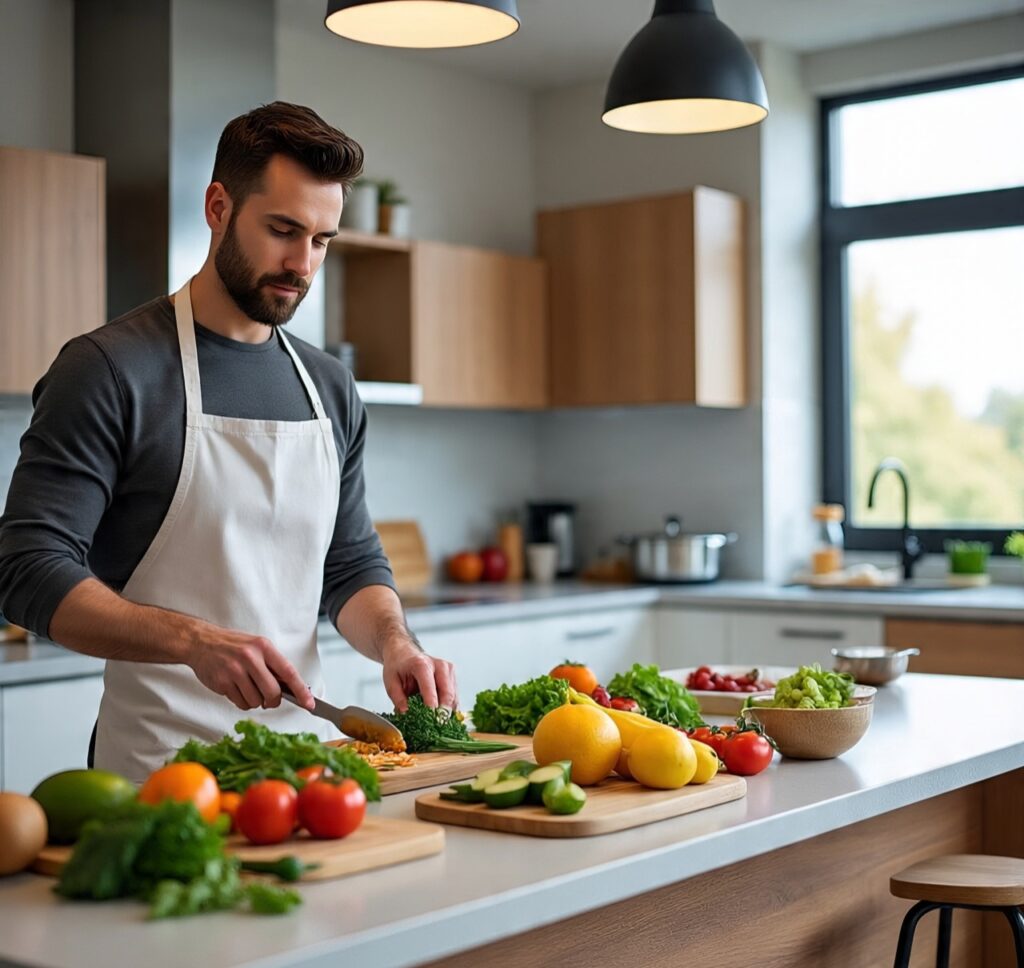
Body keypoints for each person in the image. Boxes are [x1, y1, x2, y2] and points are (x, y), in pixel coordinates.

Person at [0, 101, 456, 783]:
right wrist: (193, 641)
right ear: (218, 206)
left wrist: (395, 644)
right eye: (282, 230)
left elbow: (349, 564)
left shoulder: (330, 387)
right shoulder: (108, 370)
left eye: (322, 240)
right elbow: (26, 569)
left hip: (311, 771)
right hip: (161, 776)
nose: (302, 264)